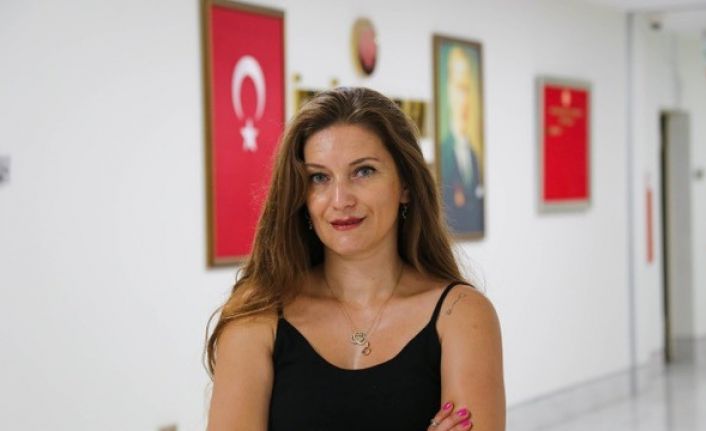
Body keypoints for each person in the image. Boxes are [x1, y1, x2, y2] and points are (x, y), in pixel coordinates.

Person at [205, 87, 505, 431]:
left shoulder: (462, 315)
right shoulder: (257, 314)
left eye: (363, 171)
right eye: (319, 177)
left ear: (405, 184)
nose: (340, 199)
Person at [441, 46, 485, 235]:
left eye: (468, 89)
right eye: (460, 88)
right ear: (449, 90)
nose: (465, 99)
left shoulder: (474, 156)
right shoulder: (443, 153)